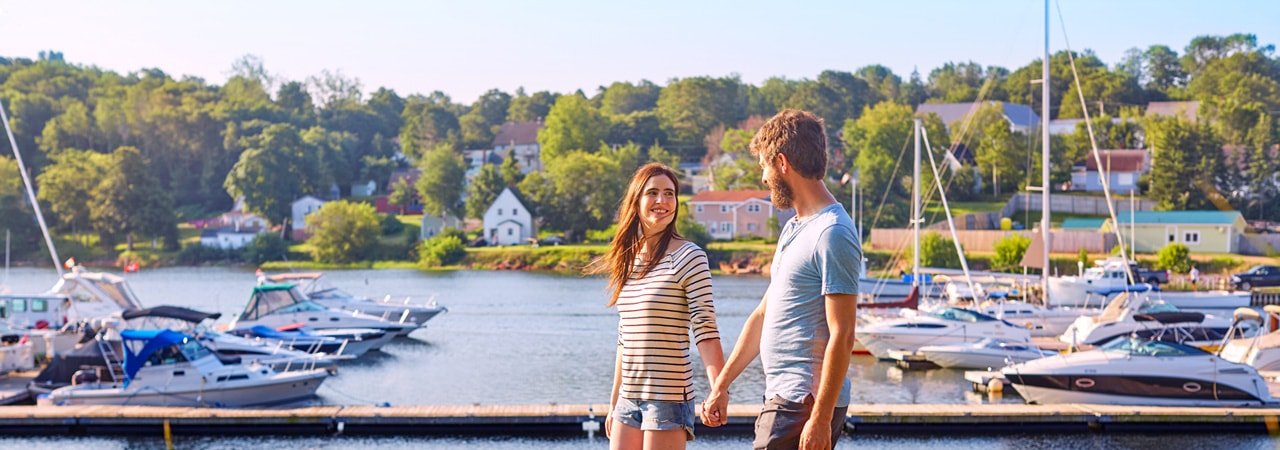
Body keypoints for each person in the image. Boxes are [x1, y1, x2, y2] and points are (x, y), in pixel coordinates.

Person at [701, 109, 860, 450]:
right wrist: (722, 384)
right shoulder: (794, 228)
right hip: (784, 397)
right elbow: (763, 315)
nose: (763, 177)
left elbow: (844, 334)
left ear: (782, 162)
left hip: (804, 401)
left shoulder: (833, 233)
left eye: (764, 165)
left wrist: (819, 418)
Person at [589, 163, 725, 450]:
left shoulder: (690, 257)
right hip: (629, 398)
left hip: (668, 398)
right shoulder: (629, 260)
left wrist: (719, 389)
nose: (662, 201)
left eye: (669, 194)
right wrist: (613, 404)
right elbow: (625, 340)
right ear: (636, 201)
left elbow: (706, 330)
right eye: (652, 193)